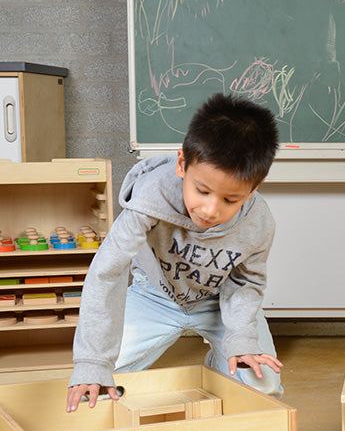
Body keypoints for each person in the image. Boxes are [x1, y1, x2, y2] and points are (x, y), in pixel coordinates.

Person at [66, 92, 282, 412]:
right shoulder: (149, 199)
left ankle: (219, 366)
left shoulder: (258, 223)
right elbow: (108, 271)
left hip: (218, 303)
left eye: (230, 199)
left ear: (255, 186)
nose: (210, 210)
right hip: (153, 296)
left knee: (262, 387)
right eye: (202, 190)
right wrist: (93, 359)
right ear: (182, 163)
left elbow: (246, 283)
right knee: (96, 382)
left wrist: (240, 337)